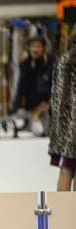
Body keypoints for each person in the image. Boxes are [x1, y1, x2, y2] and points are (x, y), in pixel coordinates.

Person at [48, 34, 76, 191]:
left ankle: (62, 211)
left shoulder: (63, 59)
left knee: (66, 169)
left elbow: (56, 95)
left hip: (63, 124)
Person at [12, 37, 54, 135]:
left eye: (38, 47)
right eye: (33, 46)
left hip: (45, 108)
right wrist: (15, 108)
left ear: (43, 48)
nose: (35, 49)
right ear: (29, 48)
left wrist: (49, 104)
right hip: (28, 108)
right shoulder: (25, 64)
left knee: (46, 135)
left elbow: (56, 86)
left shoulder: (51, 63)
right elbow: (20, 87)